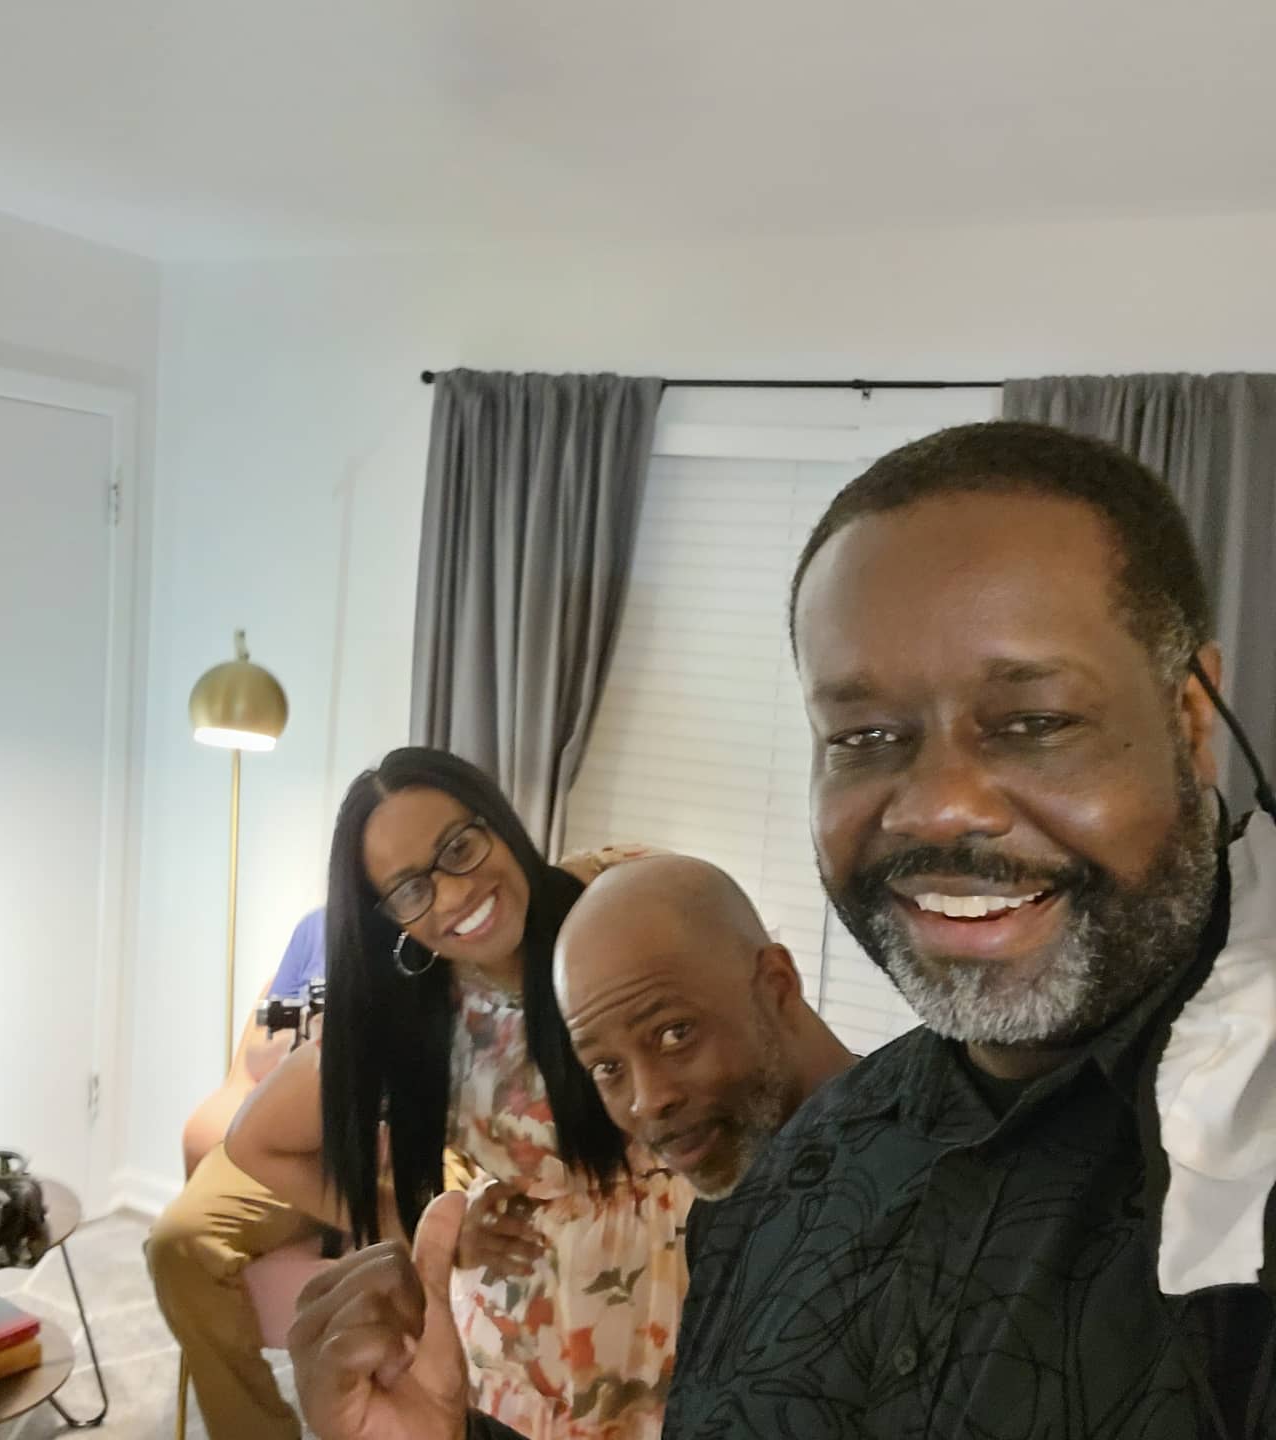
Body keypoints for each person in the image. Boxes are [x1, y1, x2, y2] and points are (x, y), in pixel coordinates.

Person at [284, 421, 1276, 1440]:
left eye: (1033, 721)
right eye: (864, 735)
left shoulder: (1240, 1187)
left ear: (1191, 717)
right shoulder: (808, 1162)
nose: (937, 808)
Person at [226, 747, 688, 1439]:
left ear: (495, 822)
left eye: (459, 849)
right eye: (410, 890)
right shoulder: (414, 1019)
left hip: (692, 1289)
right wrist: (431, 1228)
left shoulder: (620, 890)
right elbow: (254, 1141)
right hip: (538, 1348)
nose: (451, 895)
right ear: (392, 918)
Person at [553, 854, 854, 1200]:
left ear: (777, 986)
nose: (648, 1102)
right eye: (607, 1068)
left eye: (675, 1034)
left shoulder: (901, 1190)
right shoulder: (741, 1199)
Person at [147, 908, 333, 1440]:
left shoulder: (440, 923)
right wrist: (311, 1041)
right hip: (300, 1144)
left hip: (411, 1142)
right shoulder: (315, 930)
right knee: (179, 1242)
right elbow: (258, 1055)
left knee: (445, 1248)